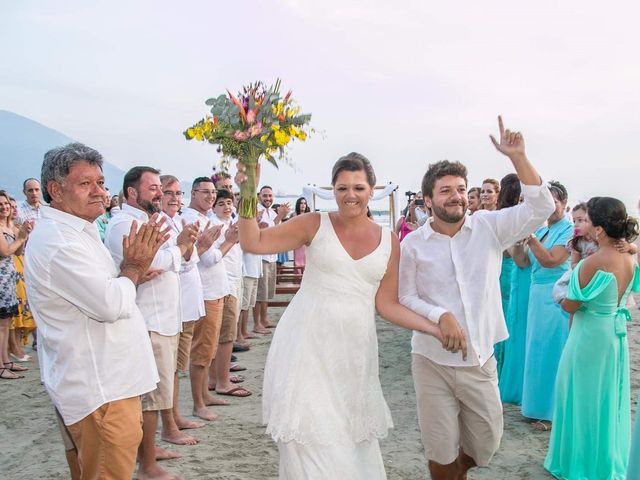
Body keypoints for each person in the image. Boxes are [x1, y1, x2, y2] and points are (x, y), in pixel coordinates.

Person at [235, 152, 444, 479]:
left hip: (354, 354)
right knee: (310, 439)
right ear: (332, 190)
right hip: (307, 346)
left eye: (358, 187)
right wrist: (247, 192)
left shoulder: (389, 241)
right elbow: (253, 241)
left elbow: (387, 305)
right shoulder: (314, 223)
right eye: (342, 187)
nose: (350, 195)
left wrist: (434, 328)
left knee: (350, 441)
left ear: (371, 189)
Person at [399, 116, 555, 479]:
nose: (456, 196)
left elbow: (541, 209)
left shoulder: (489, 226)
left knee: (487, 442)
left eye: (460, 188)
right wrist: (440, 315)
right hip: (430, 360)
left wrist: (518, 157)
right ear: (427, 200)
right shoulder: (412, 244)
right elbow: (405, 296)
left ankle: (459, 469)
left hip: (480, 359)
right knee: (439, 446)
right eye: (445, 190)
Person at [23, 143, 163, 479]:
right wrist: (134, 267)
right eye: (86, 184)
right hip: (101, 390)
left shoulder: (77, 230)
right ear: (55, 191)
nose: (100, 192)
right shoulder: (60, 242)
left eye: (101, 182)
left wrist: (131, 273)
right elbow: (110, 304)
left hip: (106, 383)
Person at [105, 166, 199, 480]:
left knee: (158, 394)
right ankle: (147, 466)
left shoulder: (152, 222)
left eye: (161, 187)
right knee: (148, 398)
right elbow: (153, 261)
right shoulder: (124, 223)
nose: (159, 193)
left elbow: (174, 260)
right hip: (147, 320)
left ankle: (150, 450)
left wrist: (180, 247)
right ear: (132, 192)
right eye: (154, 187)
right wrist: (180, 248)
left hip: (163, 318)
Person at [544, 197, 640, 479]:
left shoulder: (591, 263)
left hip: (588, 337)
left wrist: (564, 298)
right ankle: (605, 460)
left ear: (598, 230)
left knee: (579, 396)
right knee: (608, 397)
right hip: (615, 337)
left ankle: (579, 463)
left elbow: (570, 305)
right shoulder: (629, 259)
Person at [515, 181, 573, 430]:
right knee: (536, 350)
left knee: (552, 350)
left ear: (564, 204)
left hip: (554, 296)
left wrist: (530, 237)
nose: (550, 208)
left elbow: (552, 260)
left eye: (554, 203)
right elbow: (522, 262)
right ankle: (534, 406)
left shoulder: (568, 230)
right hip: (536, 294)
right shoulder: (541, 231)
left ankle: (551, 412)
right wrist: (519, 239)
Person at [158, 174, 205, 445]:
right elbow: (180, 261)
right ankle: (169, 424)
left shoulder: (179, 221)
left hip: (185, 303)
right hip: (172, 304)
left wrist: (187, 246)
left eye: (177, 193)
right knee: (169, 369)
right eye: (168, 193)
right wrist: (184, 246)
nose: (174, 198)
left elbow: (191, 258)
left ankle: (175, 416)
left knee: (176, 367)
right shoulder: (162, 223)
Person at [181, 177, 232, 421]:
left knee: (209, 348)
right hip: (205, 292)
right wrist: (230, 241)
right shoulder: (191, 219)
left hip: (216, 289)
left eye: (213, 192)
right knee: (202, 349)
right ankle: (198, 402)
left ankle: (204, 395)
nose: (211, 196)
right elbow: (208, 258)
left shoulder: (206, 219)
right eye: (206, 192)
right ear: (193, 193)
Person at [0, 190, 32, 379]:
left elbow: (18, 252)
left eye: (6, 204)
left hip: (9, 279)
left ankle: (5, 361)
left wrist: (23, 234)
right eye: (0, 205)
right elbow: (5, 252)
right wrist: (20, 237)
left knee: (6, 323)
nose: (4, 207)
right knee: (2, 325)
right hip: (1, 280)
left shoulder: (9, 226)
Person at [493, 174, 521, 376]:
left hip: (505, 267)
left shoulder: (499, 214)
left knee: (502, 311)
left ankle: (501, 366)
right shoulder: (518, 215)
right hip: (510, 266)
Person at [253, 186, 288, 333]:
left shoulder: (272, 212)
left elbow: (278, 232)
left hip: (272, 256)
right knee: (260, 293)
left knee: (267, 291)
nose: (268, 198)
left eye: (270, 196)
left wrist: (279, 216)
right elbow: (266, 232)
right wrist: (280, 216)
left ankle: (265, 319)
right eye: (265, 195)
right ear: (259, 196)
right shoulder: (257, 212)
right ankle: (257, 323)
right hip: (260, 257)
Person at [292, 197, 310, 273]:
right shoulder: (294, 215)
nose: (303, 205)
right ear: (298, 205)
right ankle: (297, 279)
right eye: (301, 203)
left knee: (307, 261)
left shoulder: (309, 215)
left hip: (307, 242)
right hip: (297, 242)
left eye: (304, 203)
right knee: (298, 261)